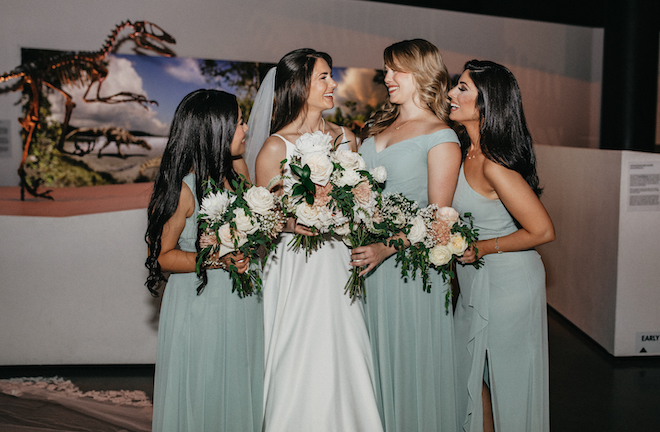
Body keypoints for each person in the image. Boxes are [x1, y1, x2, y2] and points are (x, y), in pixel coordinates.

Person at [245, 48, 383, 432]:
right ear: (298, 85)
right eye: (323, 77)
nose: (332, 84)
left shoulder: (347, 140)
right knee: (298, 349)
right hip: (295, 266)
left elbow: (363, 201)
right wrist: (293, 221)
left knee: (344, 346)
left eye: (330, 76)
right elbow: (262, 219)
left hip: (339, 260)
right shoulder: (275, 147)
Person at [350, 39, 462, 431]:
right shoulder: (379, 126)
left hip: (409, 272)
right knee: (369, 367)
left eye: (397, 69)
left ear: (421, 74)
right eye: (387, 69)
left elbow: (440, 220)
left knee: (410, 362)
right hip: (365, 266)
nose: (387, 77)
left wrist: (386, 247)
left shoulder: (441, 137)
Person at [145, 89, 263, 432]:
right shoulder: (181, 189)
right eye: (239, 123)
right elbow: (162, 256)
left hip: (243, 302)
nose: (245, 130)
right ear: (216, 130)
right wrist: (218, 259)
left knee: (241, 383)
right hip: (201, 305)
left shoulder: (237, 177)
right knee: (205, 386)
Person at [448, 60, 555, 432]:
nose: (451, 94)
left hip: (509, 284)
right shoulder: (464, 153)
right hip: (476, 282)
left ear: (485, 103)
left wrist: (481, 247)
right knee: (468, 373)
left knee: (507, 383)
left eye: (462, 88)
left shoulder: (494, 165)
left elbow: (542, 230)